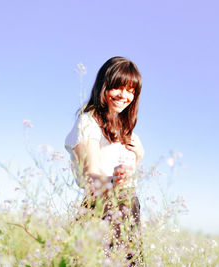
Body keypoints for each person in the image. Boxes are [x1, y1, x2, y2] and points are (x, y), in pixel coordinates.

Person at [65, 56, 145, 265]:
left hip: (128, 206)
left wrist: (138, 157)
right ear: (104, 86)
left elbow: (124, 177)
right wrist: (115, 181)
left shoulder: (126, 131)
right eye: (117, 87)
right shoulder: (88, 122)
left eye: (130, 90)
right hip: (101, 209)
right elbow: (92, 178)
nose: (124, 95)